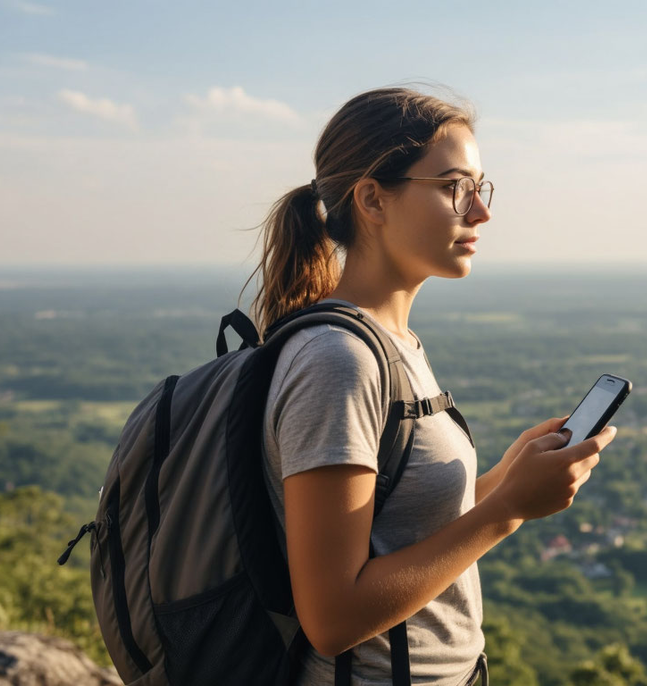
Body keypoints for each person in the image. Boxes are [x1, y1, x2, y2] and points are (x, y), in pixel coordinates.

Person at [246, 84, 618, 686]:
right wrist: (505, 511)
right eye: (454, 188)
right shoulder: (337, 362)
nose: (480, 211)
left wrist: (508, 478)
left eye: (480, 187)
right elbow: (332, 617)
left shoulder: (392, 345)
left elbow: (400, 532)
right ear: (373, 199)